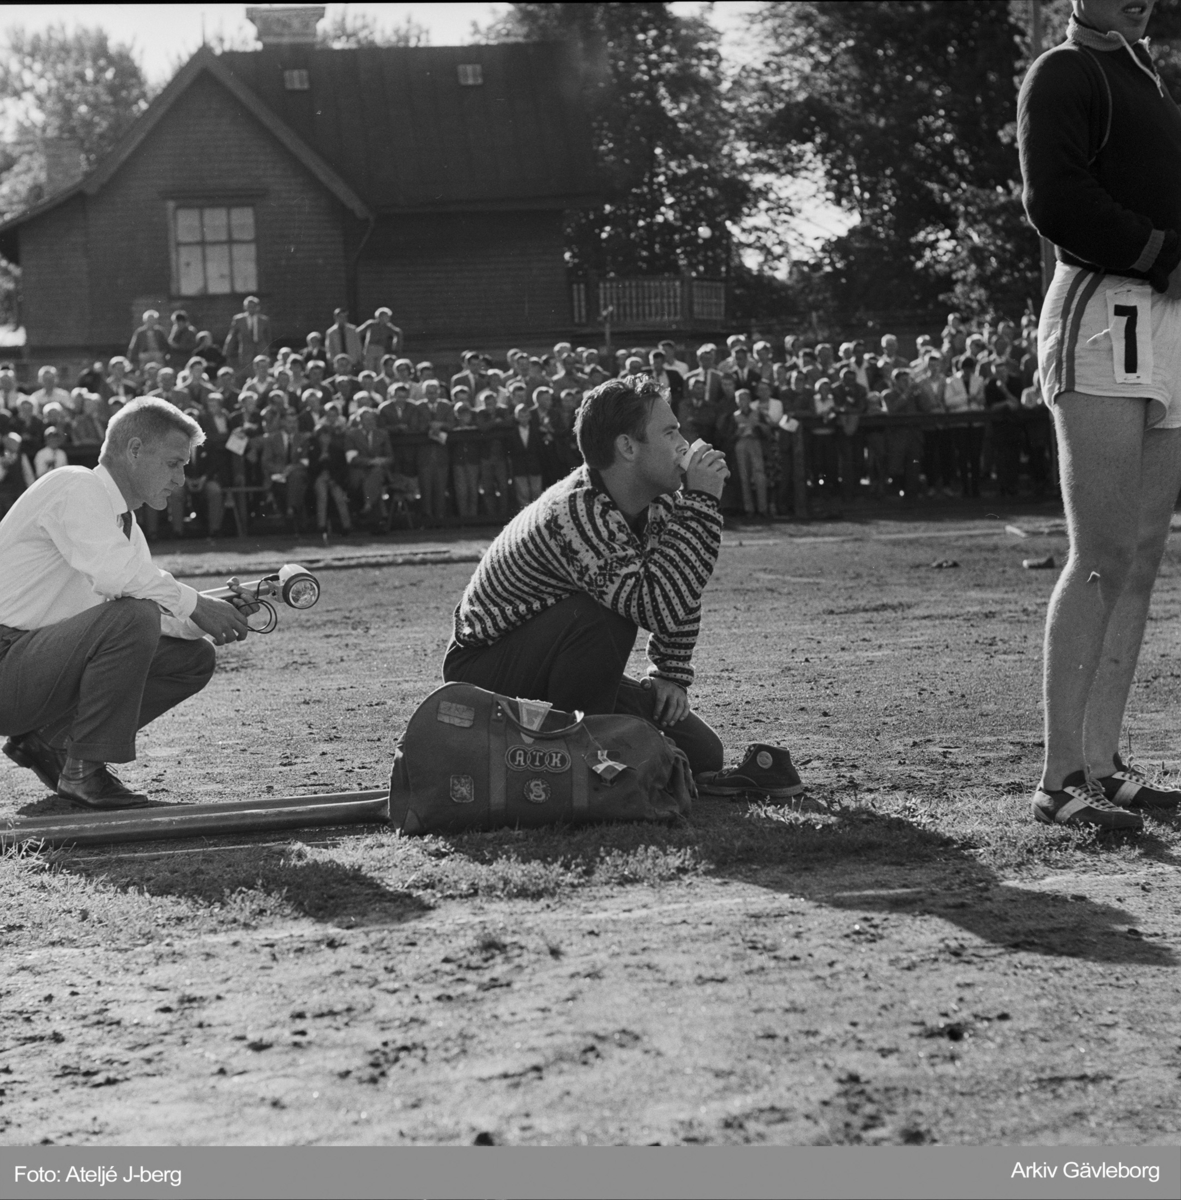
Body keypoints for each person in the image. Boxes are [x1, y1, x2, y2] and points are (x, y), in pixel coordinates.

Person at [1018, 0, 1181, 829]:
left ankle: (1105, 763)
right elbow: (1054, 199)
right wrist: (1159, 253)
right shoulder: (1064, 71)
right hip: (1101, 306)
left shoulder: (1145, 76)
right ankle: (1057, 780)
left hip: (1164, 318)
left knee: (1144, 551)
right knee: (1102, 550)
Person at [443, 375, 739, 778]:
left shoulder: (663, 503)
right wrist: (702, 502)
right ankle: (580, 762)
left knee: (703, 754)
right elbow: (655, 606)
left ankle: (589, 748)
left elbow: (681, 581)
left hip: (551, 663)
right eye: (670, 432)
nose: (683, 444)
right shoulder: (576, 510)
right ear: (627, 446)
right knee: (605, 614)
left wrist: (670, 672)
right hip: (482, 672)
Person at [0, 397, 255, 808]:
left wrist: (214, 611)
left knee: (192, 658)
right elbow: (124, 587)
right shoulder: (76, 484)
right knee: (132, 615)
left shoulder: (124, 523)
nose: (181, 478)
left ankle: (49, 743)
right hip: (7, 661)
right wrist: (194, 605)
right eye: (174, 463)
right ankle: (85, 772)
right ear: (134, 450)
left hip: (29, 665)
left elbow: (152, 613)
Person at [223, 296, 271, 379]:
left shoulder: (264, 320)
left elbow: (268, 337)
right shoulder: (239, 319)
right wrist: (227, 351)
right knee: (247, 371)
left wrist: (266, 348)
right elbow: (232, 336)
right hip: (246, 349)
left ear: (257, 307)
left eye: (253, 306)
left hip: (261, 348)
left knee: (262, 369)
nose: (251, 309)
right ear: (245, 307)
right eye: (249, 306)